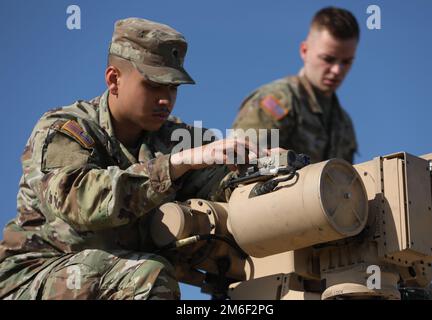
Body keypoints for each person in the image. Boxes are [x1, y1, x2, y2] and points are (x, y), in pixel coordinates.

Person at [0, 18, 261, 300]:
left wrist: (261, 168)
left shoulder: (173, 137)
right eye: (153, 85)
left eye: (172, 88)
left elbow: (224, 176)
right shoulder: (66, 130)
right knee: (148, 276)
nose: (166, 99)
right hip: (36, 276)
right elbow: (79, 200)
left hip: (115, 275)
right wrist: (174, 166)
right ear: (114, 79)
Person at [232, 6, 359, 164]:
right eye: (328, 59)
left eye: (346, 62)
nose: (336, 70)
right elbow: (238, 168)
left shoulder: (344, 124)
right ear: (304, 51)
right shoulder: (277, 101)